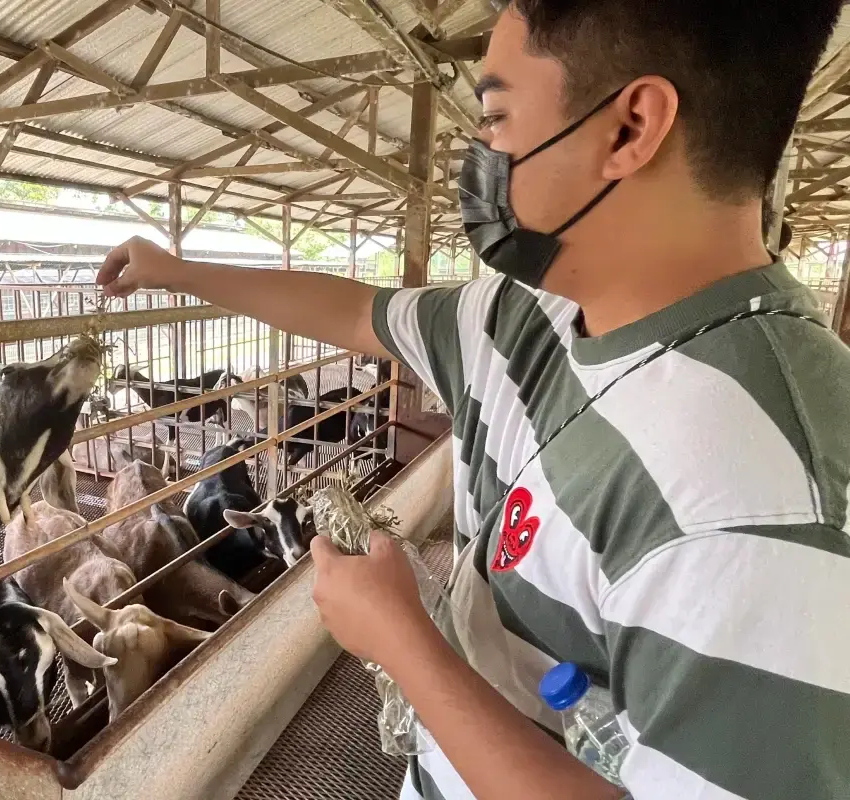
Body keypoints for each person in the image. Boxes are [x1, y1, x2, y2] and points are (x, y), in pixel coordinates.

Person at [97, 1, 850, 797]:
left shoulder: (766, 499)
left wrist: (403, 642)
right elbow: (355, 311)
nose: (480, 152)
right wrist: (179, 272)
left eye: (495, 116)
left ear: (630, 127)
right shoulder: (522, 311)